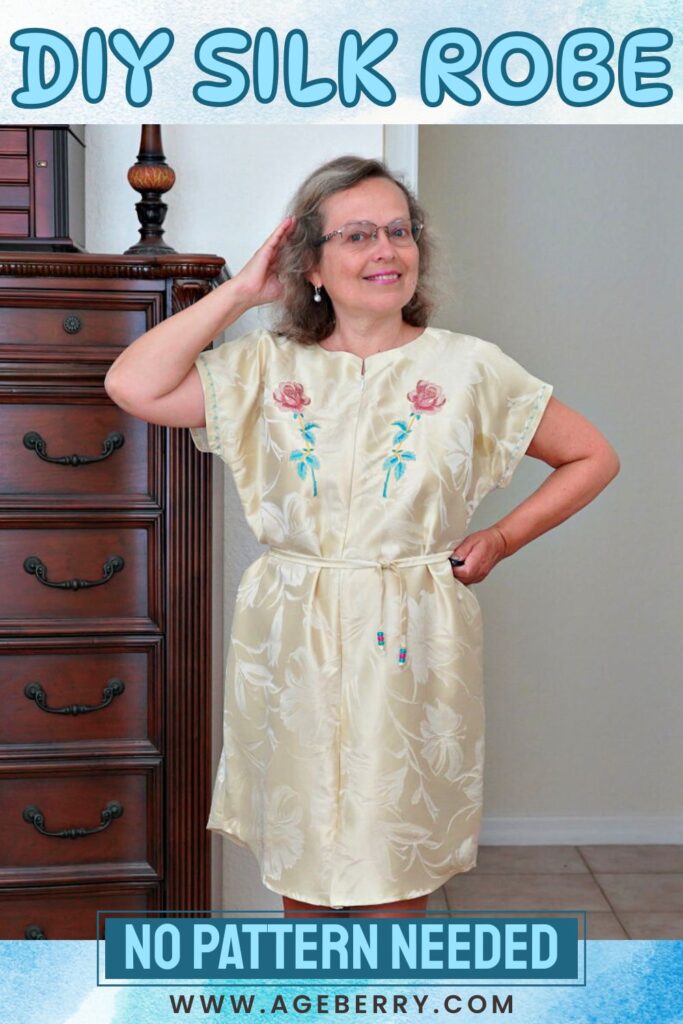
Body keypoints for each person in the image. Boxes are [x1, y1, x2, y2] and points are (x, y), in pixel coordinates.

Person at [104, 154, 620, 921]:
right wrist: (240, 292)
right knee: (305, 860)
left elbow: (591, 456)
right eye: (357, 235)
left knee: (394, 861)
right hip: (293, 636)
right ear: (309, 263)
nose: (386, 249)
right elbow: (132, 384)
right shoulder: (262, 368)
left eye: (398, 231)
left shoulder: (470, 370)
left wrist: (502, 538)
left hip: (410, 632)